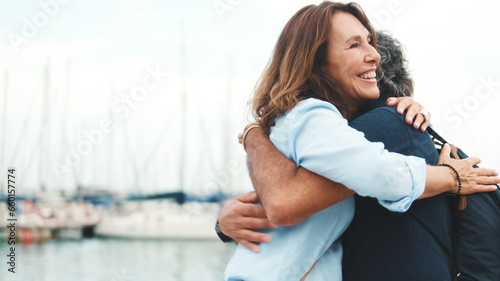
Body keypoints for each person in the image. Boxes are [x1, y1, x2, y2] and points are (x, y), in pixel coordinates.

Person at [221, 2, 500, 281]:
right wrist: (452, 177)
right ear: (315, 61)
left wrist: (252, 136)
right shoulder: (314, 117)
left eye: (370, 42)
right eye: (354, 45)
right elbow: (289, 199)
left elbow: (287, 194)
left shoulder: (322, 126)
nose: (373, 56)